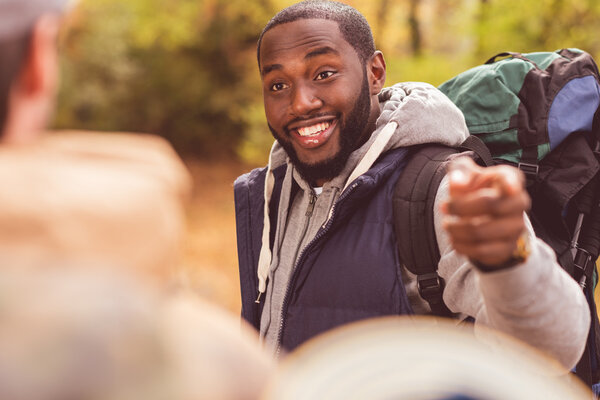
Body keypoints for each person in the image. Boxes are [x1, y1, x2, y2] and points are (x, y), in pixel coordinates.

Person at [233, 0, 590, 370]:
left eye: (323, 74)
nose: (300, 103)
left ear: (375, 72)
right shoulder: (270, 193)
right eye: (277, 84)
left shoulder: (439, 188)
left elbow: (554, 350)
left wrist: (510, 262)